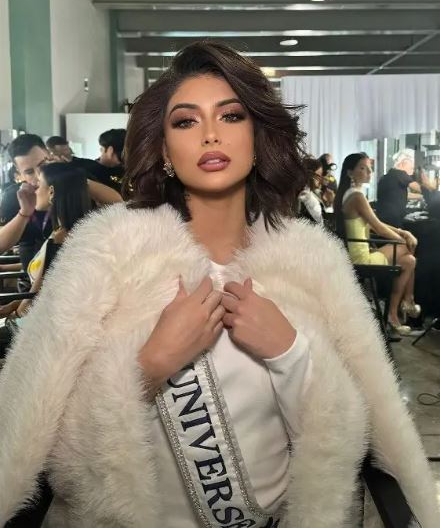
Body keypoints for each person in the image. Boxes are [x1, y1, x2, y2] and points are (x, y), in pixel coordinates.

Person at [0, 42, 438, 528]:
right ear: (164, 149)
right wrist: (148, 368)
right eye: (186, 121)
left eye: (231, 116)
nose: (211, 134)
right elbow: (52, 448)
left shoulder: (311, 259)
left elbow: (343, 440)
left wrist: (290, 355)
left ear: (257, 137)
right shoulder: (107, 251)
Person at [334, 153, 421, 335]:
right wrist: (402, 240)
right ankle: (407, 302)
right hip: (361, 257)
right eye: (362, 168)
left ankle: (394, 313)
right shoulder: (356, 196)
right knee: (408, 248)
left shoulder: (353, 194)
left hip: (361, 252)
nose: (369, 171)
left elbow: (376, 224)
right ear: (350, 172)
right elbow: (379, 228)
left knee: (409, 261)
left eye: (369, 167)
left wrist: (402, 233)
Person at [0, 162, 91, 322]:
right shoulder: (67, 231)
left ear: (52, 192)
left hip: (43, 323)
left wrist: (14, 317)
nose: (35, 190)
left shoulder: (61, 238)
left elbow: (37, 298)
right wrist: (15, 304)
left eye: (39, 185)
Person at [1, 134, 53, 270]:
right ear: (19, 173)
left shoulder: (71, 182)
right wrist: (24, 213)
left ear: (50, 157)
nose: (39, 176)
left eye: (43, 165)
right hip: (32, 274)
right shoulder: (14, 196)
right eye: (29, 172)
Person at [376, 148, 423, 228]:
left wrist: (422, 197)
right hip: (392, 219)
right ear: (405, 162)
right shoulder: (399, 174)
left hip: (384, 218)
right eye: (412, 167)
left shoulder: (389, 176)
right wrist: (431, 183)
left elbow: (401, 195)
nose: (413, 170)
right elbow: (420, 188)